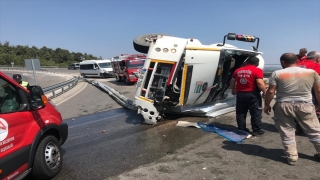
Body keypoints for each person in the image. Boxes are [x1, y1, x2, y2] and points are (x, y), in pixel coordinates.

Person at [264, 53, 320, 165]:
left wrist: (267, 105)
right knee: (314, 130)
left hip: (284, 105)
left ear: (282, 62)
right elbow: (318, 91)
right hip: (305, 105)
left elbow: (270, 91)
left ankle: (292, 156)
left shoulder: (277, 73)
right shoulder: (311, 73)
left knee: (286, 131)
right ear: (297, 61)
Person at [230, 56, 266, 136]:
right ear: (257, 64)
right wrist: (264, 91)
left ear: (247, 62)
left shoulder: (238, 70)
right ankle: (256, 130)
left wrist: (233, 89)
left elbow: (232, 81)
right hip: (253, 94)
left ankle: (241, 128)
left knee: (241, 112)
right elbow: (259, 82)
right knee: (255, 112)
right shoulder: (257, 70)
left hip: (240, 94)